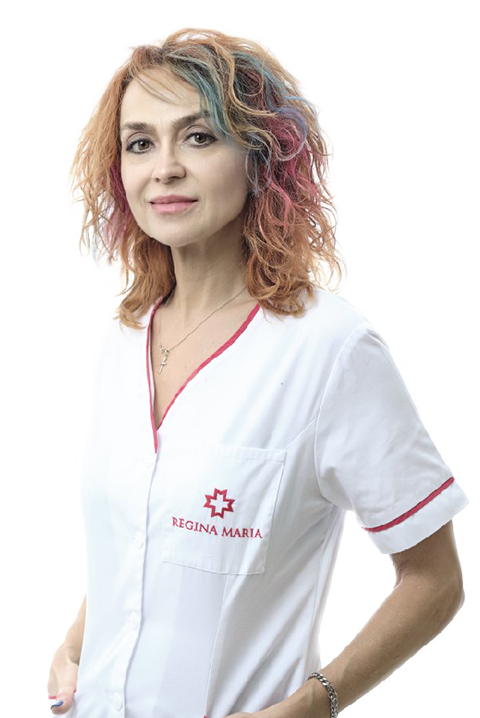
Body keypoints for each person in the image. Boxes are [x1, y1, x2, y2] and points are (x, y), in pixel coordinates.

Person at [47, 27, 469, 718]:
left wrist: (312, 704)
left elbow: (435, 581)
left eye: (199, 137)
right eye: (140, 143)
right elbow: (146, 535)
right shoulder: (121, 338)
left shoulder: (330, 350)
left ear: (261, 156)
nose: (165, 168)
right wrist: (74, 642)